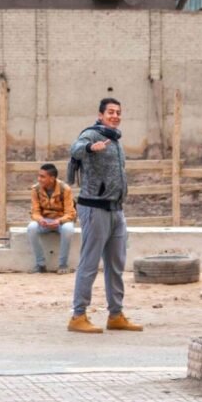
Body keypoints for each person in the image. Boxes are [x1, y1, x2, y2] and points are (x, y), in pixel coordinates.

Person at [66, 98, 142, 333]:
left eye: (118, 112)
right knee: (89, 263)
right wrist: (90, 148)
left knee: (116, 264)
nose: (115, 116)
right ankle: (78, 316)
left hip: (115, 209)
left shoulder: (116, 140)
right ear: (100, 115)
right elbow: (75, 149)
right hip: (95, 208)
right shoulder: (92, 134)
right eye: (110, 112)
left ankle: (115, 314)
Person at [27, 163, 77, 274]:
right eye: (39, 176)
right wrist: (40, 220)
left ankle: (63, 265)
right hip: (45, 221)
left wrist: (58, 221)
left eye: (42, 176)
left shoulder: (65, 189)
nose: (39, 179)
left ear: (52, 178)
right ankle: (40, 264)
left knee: (68, 230)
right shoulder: (35, 189)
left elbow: (70, 213)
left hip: (62, 221)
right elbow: (35, 212)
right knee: (31, 228)